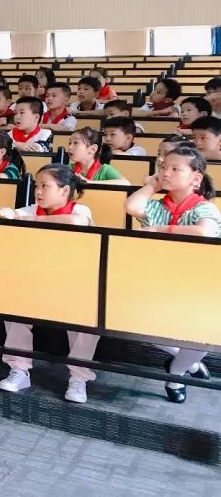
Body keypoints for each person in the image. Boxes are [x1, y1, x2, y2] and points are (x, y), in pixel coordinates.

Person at [0, 163, 98, 402]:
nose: (38, 192)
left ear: (65, 190)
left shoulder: (81, 210)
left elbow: (77, 223)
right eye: (37, 186)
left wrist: (26, 218)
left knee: (86, 318)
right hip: (35, 279)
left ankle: (79, 378)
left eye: (45, 186)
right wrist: (10, 212)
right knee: (13, 305)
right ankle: (19, 369)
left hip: (73, 281)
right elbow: (13, 213)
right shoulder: (33, 209)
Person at [124, 145, 219, 403]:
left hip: (198, 283)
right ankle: (189, 364)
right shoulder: (156, 206)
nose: (166, 173)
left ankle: (176, 374)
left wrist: (158, 230)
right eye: (163, 167)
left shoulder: (204, 208)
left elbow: (205, 232)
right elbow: (131, 206)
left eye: (175, 169)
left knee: (203, 336)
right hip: (156, 278)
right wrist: (152, 186)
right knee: (133, 324)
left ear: (196, 179)